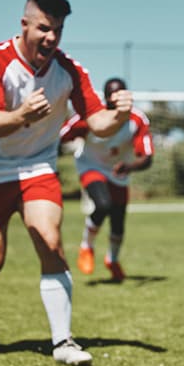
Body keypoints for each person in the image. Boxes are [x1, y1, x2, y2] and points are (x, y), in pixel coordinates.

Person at [0, 0, 133, 366]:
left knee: (50, 240)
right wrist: (22, 114)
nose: (51, 38)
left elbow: (97, 123)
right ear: (25, 25)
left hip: (37, 165)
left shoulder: (69, 71)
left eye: (59, 30)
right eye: (44, 29)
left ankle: (63, 342)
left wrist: (118, 115)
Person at [60, 78, 154, 282]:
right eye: (111, 93)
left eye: (120, 93)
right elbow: (62, 136)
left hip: (119, 171)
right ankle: (87, 247)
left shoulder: (137, 120)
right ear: (105, 96)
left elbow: (147, 158)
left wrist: (128, 166)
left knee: (118, 221)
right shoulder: (91, 116)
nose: (115, 97)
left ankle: (112, 259)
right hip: (90, 167)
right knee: (103, 204)